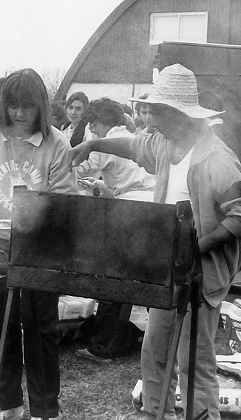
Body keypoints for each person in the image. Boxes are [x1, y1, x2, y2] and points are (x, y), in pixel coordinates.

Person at [69, 63, 241, 420]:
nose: (149, 119)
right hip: (168, 271)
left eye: (156, 112)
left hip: (201, 273)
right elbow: (132, 146)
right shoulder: (163, 144)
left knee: (195, 359)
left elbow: (239, 215)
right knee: (155, 351)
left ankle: (200, 415)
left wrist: (199, 245)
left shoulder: (218, 159)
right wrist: (93, 142)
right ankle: (154, 413)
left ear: (179, 114)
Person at [0, 68, 76, 420]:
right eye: (13, 106)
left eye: (27, 107)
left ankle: (45, 410)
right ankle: (8, 403)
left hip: (41, 246)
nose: (19, 115)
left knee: (41, 328)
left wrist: (35, 220)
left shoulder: (57, 144)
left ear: (41, 107)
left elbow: (63, 202)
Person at [72, 97, 155, 363]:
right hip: (152, 206)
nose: (91, 130)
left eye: (92, 124)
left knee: (112, 278)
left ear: (98, 121)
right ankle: (128, 338)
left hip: (132, 208)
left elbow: (78, 164)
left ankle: (103, 347)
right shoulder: (126, 135)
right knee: (139, 278)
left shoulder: (107, 141)